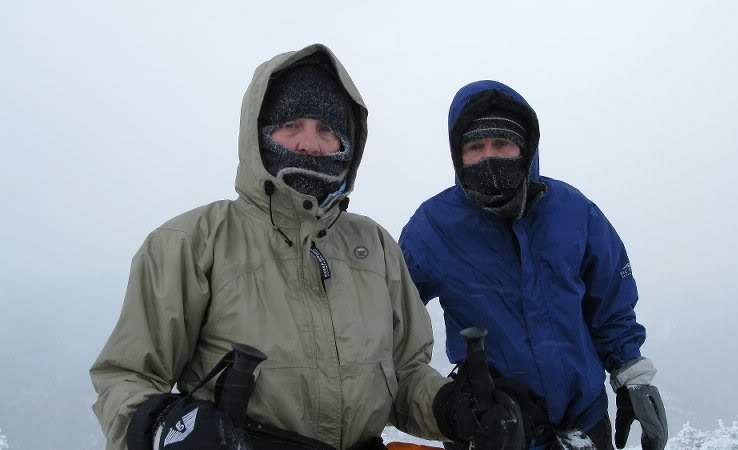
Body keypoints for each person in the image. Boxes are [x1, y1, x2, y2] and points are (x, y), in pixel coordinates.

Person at [90, 44, 524, 450]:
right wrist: (165, 427)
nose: (308, 143)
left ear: (347, 145)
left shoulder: (373, 245)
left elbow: (405, 374)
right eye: (290, 126)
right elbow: (127, 378)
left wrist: (451, 407)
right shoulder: (192, 243)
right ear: (259, 135)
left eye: (327, 130)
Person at [399, 80, 669, 450]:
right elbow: (393, 322)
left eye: (502, 144)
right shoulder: (432, 227)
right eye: (475, 147)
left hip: (585, 424)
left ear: (526, 148)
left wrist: (631, 373)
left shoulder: (574, 211)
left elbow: (610, 301)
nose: (489, 158)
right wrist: (443, 399)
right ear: (457, 154)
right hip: (491, 431)